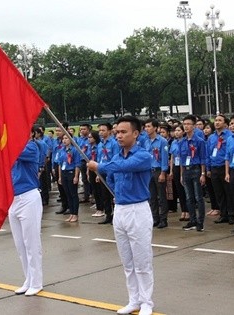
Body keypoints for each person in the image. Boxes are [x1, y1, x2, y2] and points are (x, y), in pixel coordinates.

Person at [87, 115, 154, 315]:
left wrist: (98, 166)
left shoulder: (143, 155)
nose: (119, 136)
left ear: (136, 133)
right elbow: (114, 175)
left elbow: (120, 167)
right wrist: (116, 190)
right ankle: (133, 299)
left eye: (123, 132)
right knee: (127, 260)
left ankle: (147, 302)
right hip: (121, 209)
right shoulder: (117, 156)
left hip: (138, 210)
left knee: (142, 260)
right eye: (117, 132)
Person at [9, 131, 44, 296]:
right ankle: (28, 279)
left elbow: (13, 151)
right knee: (20, 244)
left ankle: (36, 282)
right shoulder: (12, 150)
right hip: (14, 199)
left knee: (31, 242)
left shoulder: (31, 147)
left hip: (29, 197)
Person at [179, 115, 207, 232]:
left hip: (196, 169)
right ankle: (192, 220)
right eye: (184, 124)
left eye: (189, 124)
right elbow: (181, 159)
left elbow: (203, 158)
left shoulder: (199, 141)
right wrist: (181, 174)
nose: (186, 126)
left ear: (194, 126)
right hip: (186, 170)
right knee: (189, 197)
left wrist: (203, 173)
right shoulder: (182, 142)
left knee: (198, 197)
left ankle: (200, 222)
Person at [206, 115, 234, 225]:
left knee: (228, 192)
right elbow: (208, 154)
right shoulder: (211, 138)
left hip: (225, 166)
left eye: (219, 120)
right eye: (216, 120)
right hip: (214, 167)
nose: (217, 122)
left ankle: (231, 214)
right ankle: (223, 214)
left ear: (225, 123)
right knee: (219, 193)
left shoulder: (230, 136)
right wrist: (208, 168)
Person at [144, 118, 169, 228]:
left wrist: (163, 172)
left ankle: (164, 219)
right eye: (146, 126)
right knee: (152, 196)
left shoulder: (162, 141)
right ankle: (155, 218)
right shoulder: (146, 141)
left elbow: (164, 158)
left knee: (162, 196)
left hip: (158, 170)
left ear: (155, 128)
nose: (147, 129)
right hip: (149, 171)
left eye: (149, 126)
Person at [58, 134, 81, 223]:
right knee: (67, 194)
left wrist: (76, 176)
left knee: (73, 194)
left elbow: (77, 164)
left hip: (71, 172)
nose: (64, 140)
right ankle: (71, 213)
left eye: (66, 138)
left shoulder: (75, 150)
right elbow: (60, 164)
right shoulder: (61, 150)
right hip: (64, 173)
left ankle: (75, 214)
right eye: (63, 138)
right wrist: (60, 176)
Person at [168, 125, 189, 221]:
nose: (176, 132)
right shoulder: (173, 142)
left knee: (185, 190)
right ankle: (183, 210)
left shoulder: (186, 142)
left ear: (183, 132)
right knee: (179, 190)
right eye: (175, 130)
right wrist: (171, 170)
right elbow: (172, 156)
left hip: (184, 166)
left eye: (179, 130)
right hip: (175, 167)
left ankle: (188, 211)